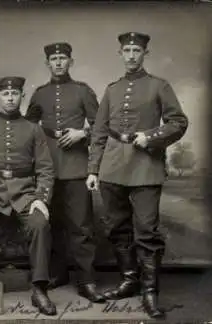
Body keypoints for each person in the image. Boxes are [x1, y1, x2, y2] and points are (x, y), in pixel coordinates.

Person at [86, 32, 188, 319]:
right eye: (127, 50)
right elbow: (99, 131)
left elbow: (178, 122)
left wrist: (151, 136)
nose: (131, 55)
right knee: (117, 228)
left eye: (137, 50)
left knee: (146, 231)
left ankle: (149, 293)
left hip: (145, 166)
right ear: (120, 53)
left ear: (146, 53)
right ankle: (129, 281)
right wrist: (94, 169)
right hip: (112, 166)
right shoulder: (112, 89)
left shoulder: (159, 86)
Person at [0, 76, 57, 316]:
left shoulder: (33, 129)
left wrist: (41, 198)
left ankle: (39, 287)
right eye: (5, 94)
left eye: (14, 94)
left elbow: (46, 169)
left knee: (40, 224)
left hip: (24, 193)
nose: (9, 98)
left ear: (21, 97)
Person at [25, 42, 104, 302]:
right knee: (53, 224)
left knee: (81, 226)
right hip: (47, 166)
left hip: (75, 167)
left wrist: (83, 133)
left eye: (63, 58)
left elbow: (101, 126)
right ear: (47, 64)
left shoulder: (83, 91)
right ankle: (58, 273)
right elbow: (27, 128)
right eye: (54, 59)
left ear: (71, 61)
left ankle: (87, 280)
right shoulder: (40, 94)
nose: (58, 63)